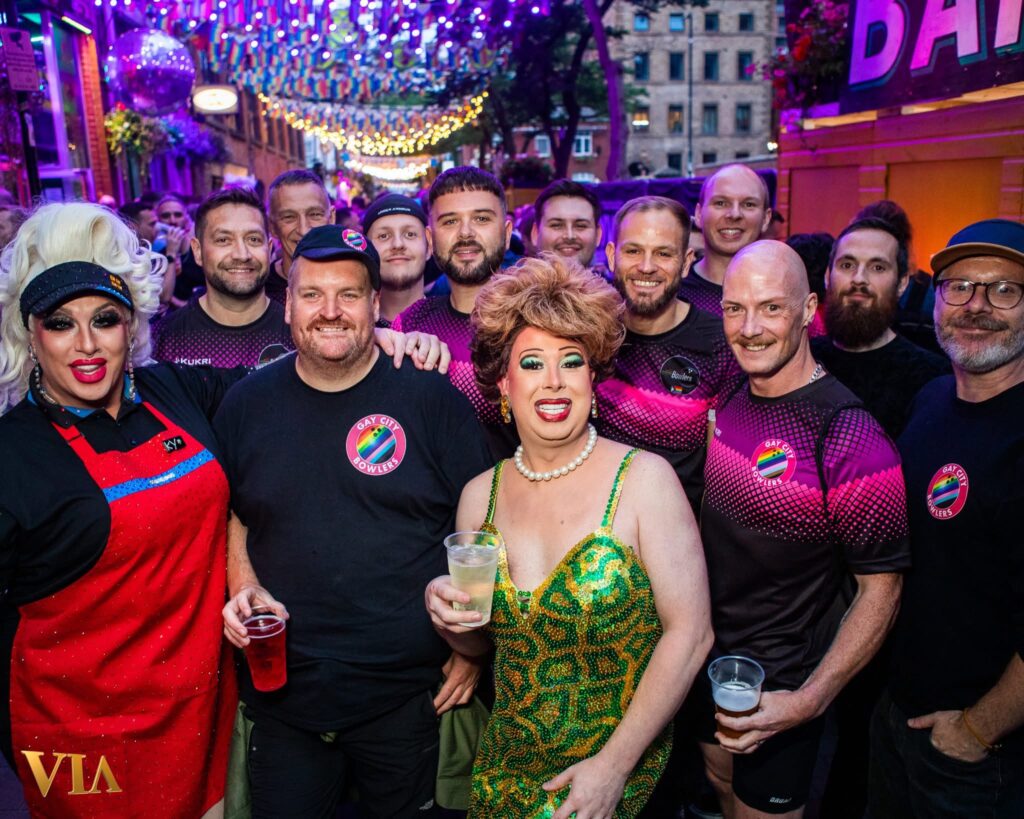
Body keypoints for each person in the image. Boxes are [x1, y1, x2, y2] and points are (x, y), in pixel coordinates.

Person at [218, 224, 492, 819]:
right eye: (312, 294)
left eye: (348, 295)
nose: (330, 312)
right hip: (283, 698)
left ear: (375, 305)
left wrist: (473, 647)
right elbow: (236, 511)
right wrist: (242, 584)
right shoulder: (245, 404)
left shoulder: (429, 396)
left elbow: (483, 524)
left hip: (409, 698)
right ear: (287, 304)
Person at [425, 254, 713, 818]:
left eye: (571, 361)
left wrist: (614, 766)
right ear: (504, 384)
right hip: (506, 777)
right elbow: (483, 645)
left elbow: (692, 635)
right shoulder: (477, 496)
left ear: (593, 379)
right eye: (532, 363)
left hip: (626, 781)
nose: (553, 382)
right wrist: (447, 618)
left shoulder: (644, 480)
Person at [0, 202, 237, 816]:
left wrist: (387, 342)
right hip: (81, 744)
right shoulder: (13, 452)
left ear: (130, 328)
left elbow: (289, 383)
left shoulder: (172, 390)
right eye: (60, 323)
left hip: (202, 711)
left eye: (104, 320)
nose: (86, 345)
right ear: (31, 334)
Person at [698, 240, 910, 818]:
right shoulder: (735, 394)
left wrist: (811, 701)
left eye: (770, 307)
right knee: (718, 788)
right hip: (708, 662)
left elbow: (882, 590)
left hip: (779, 686)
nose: (748, 328)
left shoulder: (850, 436)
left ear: (808, 310)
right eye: (735, 308)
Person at [868, 218, 1024, 818]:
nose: (976, 306)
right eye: (958, 287)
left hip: (978, 752)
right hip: (898, 712)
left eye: (1003, 290)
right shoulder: (933, 398)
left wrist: (978, 732)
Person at [597, 195, 741, 512]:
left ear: (686, 261)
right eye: (633, 251)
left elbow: (721, 477)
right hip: (591, 523)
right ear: (611, 255)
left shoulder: (719, 344)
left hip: (675, 528)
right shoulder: (589, 330)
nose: (646, 267)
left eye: (663, 253)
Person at [393, 166, 517, 459]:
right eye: (450, 221)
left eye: (482, 219)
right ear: (430, 238)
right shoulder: (410, 325)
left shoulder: (538, 324)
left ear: (507, 233)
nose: (465, 233)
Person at [812, 217, 950, 440]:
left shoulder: (931, 380)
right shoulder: (801, 362)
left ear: (902, 283)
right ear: (828, 277)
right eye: (847, 265)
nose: (859, 279)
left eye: (878, 267)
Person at [152, 186, 294, 368]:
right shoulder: (163, 339)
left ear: (270, 249)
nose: (241, 255)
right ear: (198, 251)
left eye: (253, 239)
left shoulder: (299, 333)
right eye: (223, 240)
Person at [679, 165, 772, 316]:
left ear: (766, 218)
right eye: (721, 203)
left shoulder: (784, 290)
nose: (734, 214)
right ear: (698, 214)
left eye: (748, 204)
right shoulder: (673, 292)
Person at [362, 193, 432, 326]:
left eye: (410, 234)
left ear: (429, 245)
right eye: (383, 236)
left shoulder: (453, 325)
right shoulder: (352, 328)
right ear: (366, 249)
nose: (398, 244)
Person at [265, 169, 333, 306]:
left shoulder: (353, 277)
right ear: (272, 227)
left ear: (331, 218)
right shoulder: (260, 290)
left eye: (314, 214)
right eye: (289, 217)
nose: (304, 230)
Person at [530, 179, 603, 268]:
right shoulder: (514, 282)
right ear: (535, 233)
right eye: (556, 225)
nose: (569, 236)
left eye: (580, 226)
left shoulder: (611, 281)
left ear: (598, 235)